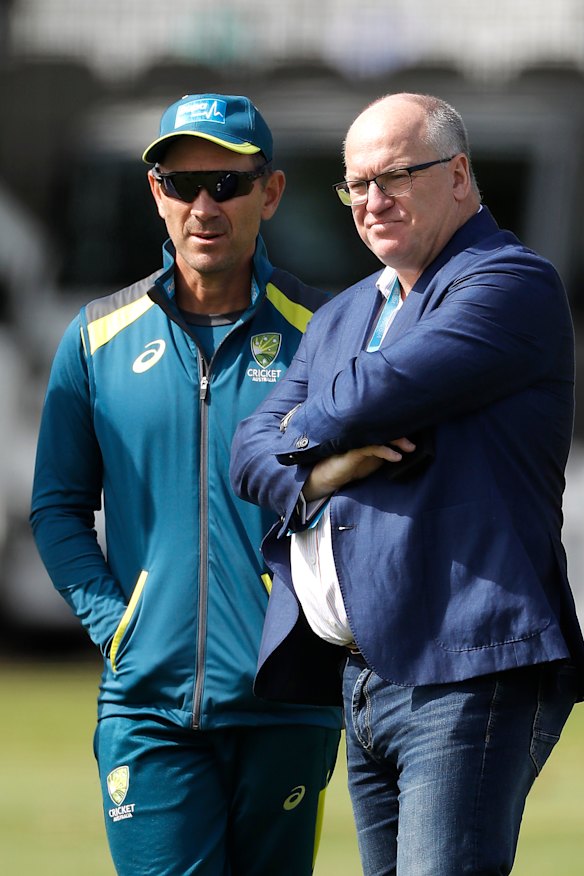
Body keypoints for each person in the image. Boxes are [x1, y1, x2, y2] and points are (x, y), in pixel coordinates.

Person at [229, 92, 584, 876]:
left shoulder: (510, 283)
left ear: (458, 174)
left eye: (392, 176)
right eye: (354, 185)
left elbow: (367, 397)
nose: (370, 201)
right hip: (363, 672)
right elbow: (245, 452)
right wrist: (323, 468)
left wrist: (314, 423)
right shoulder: (344, 312)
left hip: (465, 660)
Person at [30, 92, 341, 876]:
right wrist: (115, 625)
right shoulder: (97, 337)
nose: (204, 205)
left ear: (269, 194)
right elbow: (57, 508)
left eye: (227, 185)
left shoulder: (323, 330)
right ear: (156, 195)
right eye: (181, 183)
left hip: (288, 703)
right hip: (147, 705)